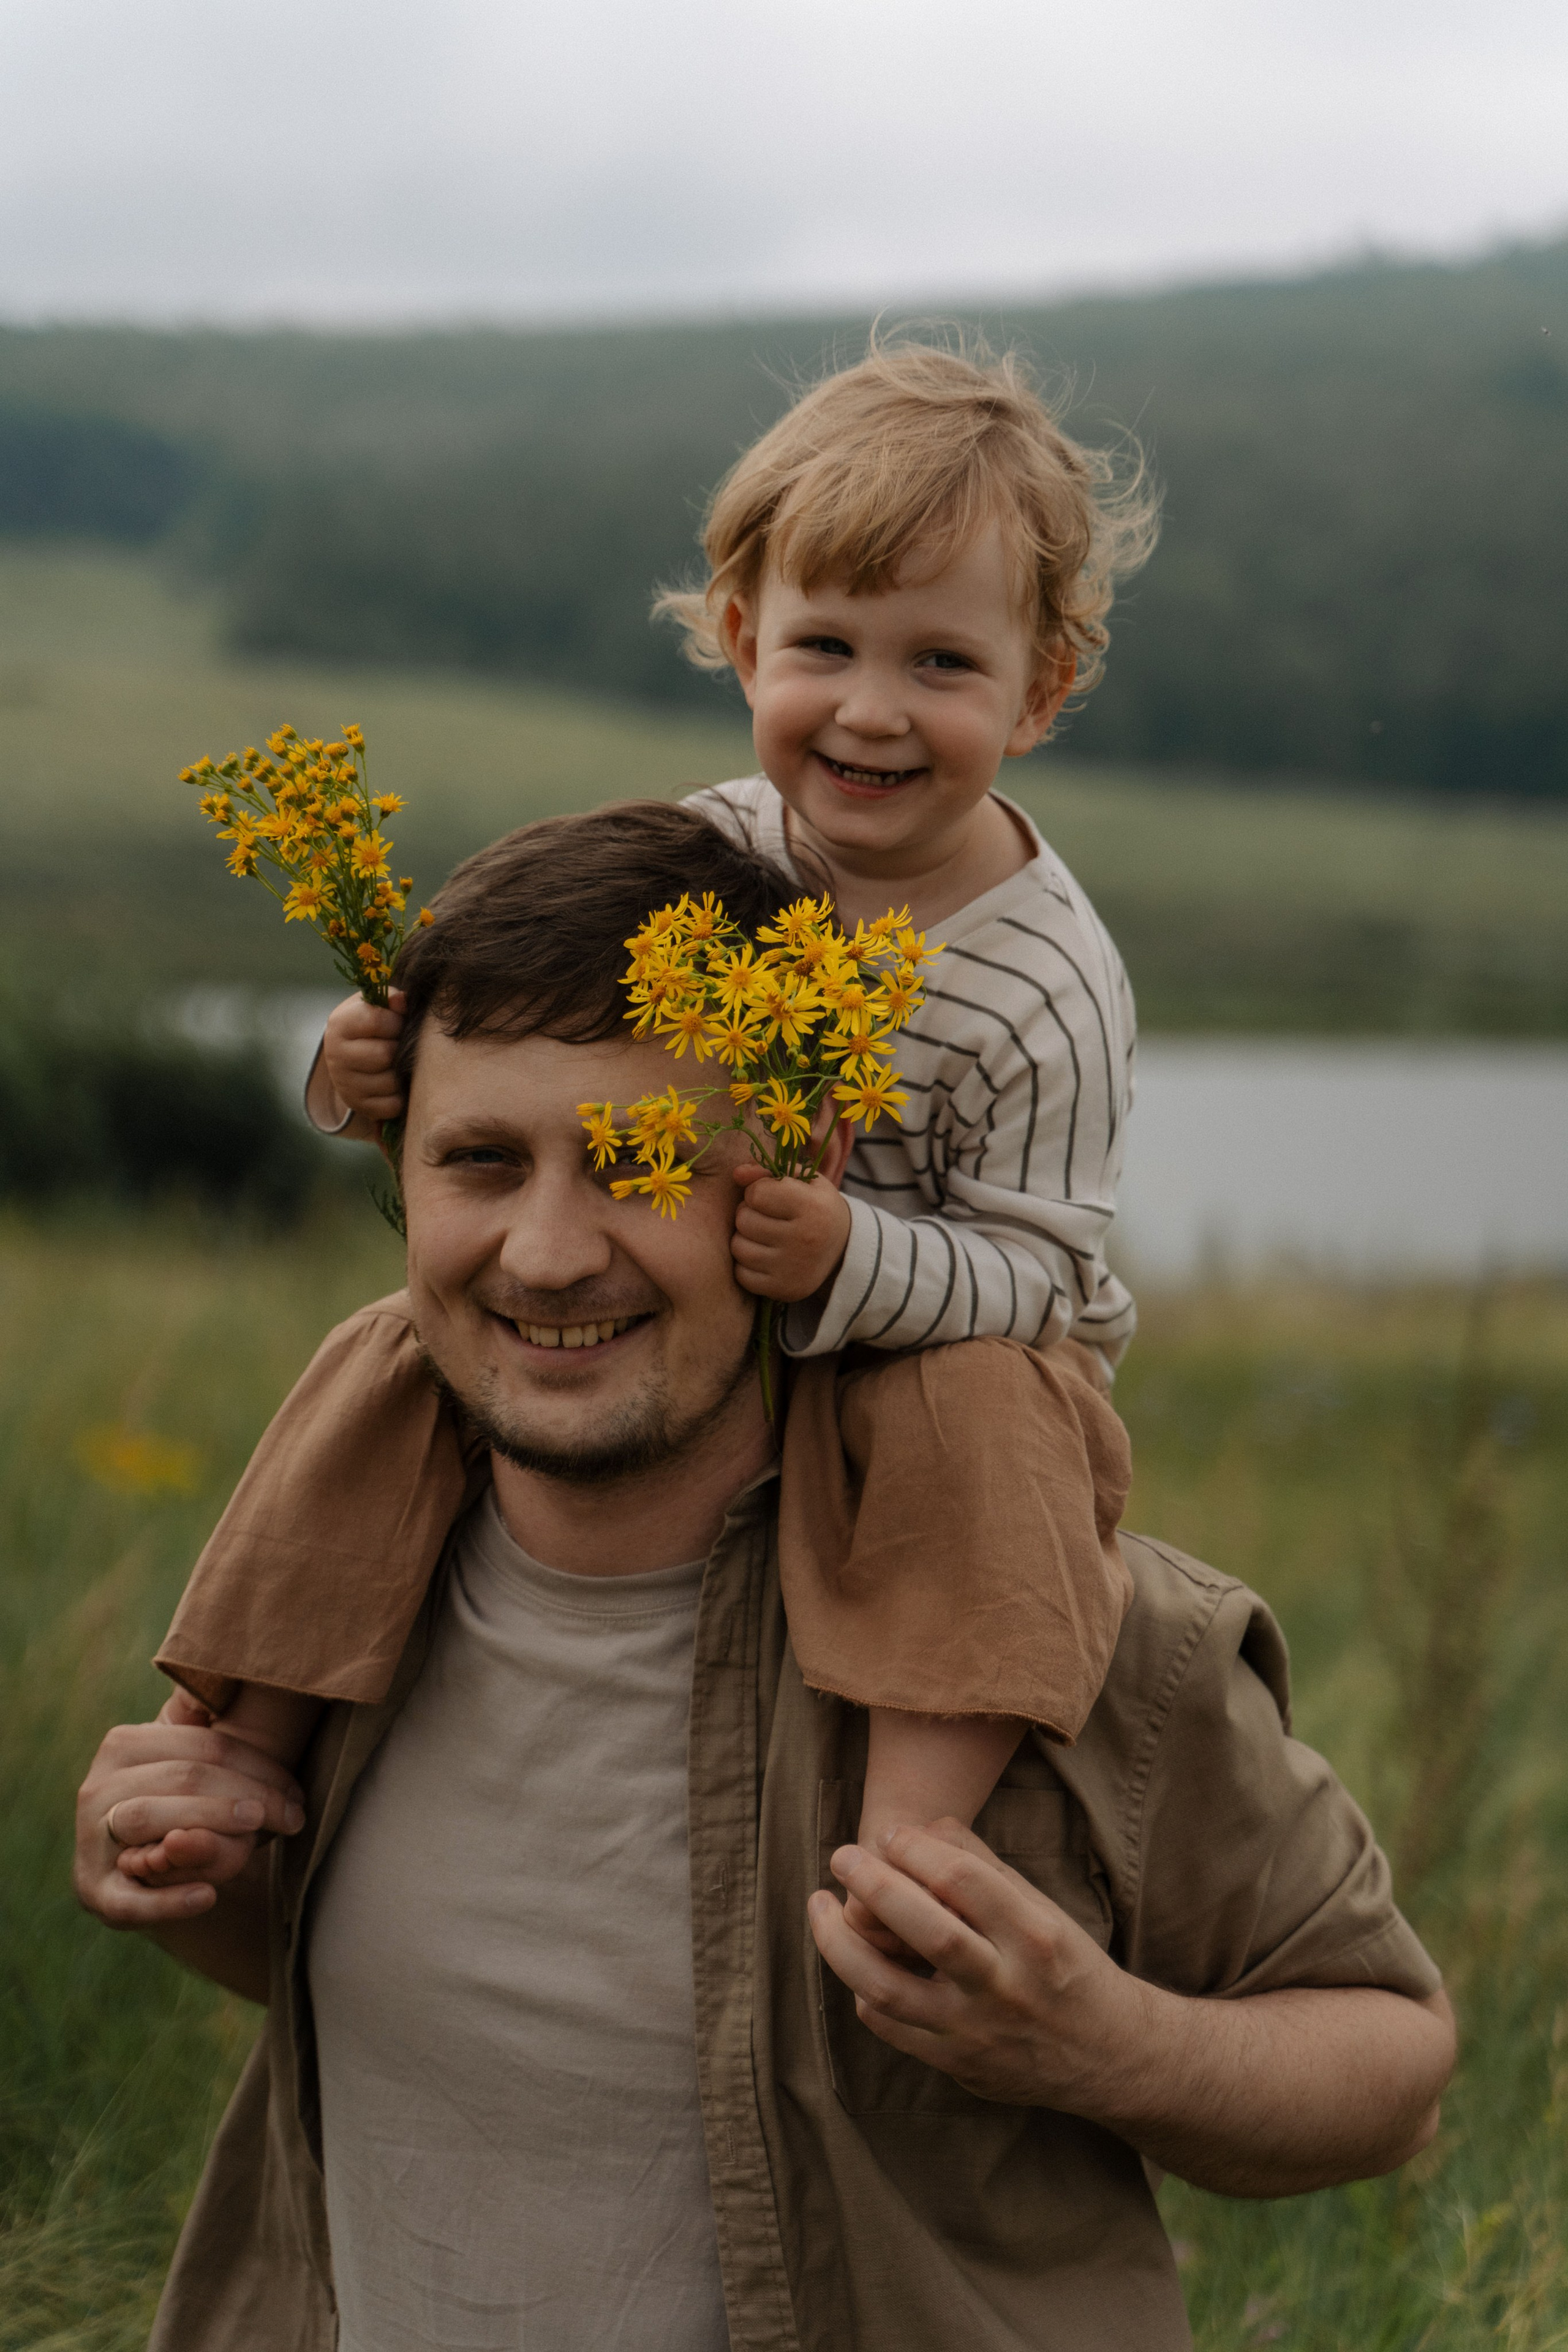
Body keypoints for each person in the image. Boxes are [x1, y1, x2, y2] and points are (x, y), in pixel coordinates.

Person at [75, 809, 1453, 2350]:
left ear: (798, 1166)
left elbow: (1389, 2071)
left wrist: (1095, 2043)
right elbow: (445, 2014)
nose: (543, 1253)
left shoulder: (1068, 1632)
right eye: (479, 1160)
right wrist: (187, 1881)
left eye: (634, 1161)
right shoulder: (334, 1592)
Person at [130, 336, 1159, 1901]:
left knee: (970, 1414)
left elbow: (1043, 1270)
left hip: (943, 1354)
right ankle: (235, 1743)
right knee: (396, 1355)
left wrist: (852, 1259)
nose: (870, 714)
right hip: (714, 1311)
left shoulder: (1047, 981)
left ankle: (914, 1843)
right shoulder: (706, 844)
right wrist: (375, 1074)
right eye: (824, 648)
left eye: (940, 664)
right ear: (743, 644)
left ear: (1042, 691)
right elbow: (546, 1059)